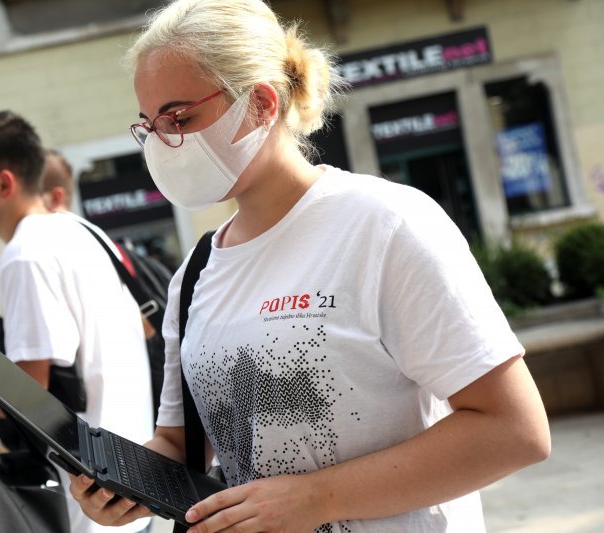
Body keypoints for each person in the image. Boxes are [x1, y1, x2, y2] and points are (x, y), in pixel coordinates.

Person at [69, 0, 552, 532]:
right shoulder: (197, 272)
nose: (164, 142)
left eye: (180, 117)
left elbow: (514, 430)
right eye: (150, 125)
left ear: (259, 104)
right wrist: (122, 481)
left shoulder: (384, 224)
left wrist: (317, 498)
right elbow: (183, 443)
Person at [0, 111, 154, 533]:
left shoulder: (26, 254)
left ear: (3, 183)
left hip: (92, 494)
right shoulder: (80, 230)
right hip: (134, 467)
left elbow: (28, 391)